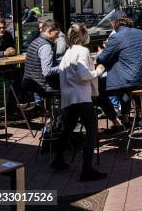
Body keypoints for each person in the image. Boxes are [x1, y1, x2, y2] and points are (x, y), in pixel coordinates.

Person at [51, 23, 107, 182]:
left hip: (68, 98)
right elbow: (83, 74)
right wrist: (98, 71)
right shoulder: (83, 51)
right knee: (91, 130)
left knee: (68, 128)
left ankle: (58, 159)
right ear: (83, 36)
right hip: (81, 97)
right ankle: (87, 170)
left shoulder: (68, 52)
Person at [96, 16, 142, 130]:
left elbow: (102, 58)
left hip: (131, 80)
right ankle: (125, 118)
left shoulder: (116, 37)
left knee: (97, 91)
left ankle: (116, 122)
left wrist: (100, 53)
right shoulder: (140, 32)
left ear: (115, 24)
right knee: (123, 86)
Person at [21, 19, 61, 97]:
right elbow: (47, 71)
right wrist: (64, 66)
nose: (58, 35)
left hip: (32, 82)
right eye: (57, 33)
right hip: (42, 86)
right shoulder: (46, 46)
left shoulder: (36, 41)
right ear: (50, 31)